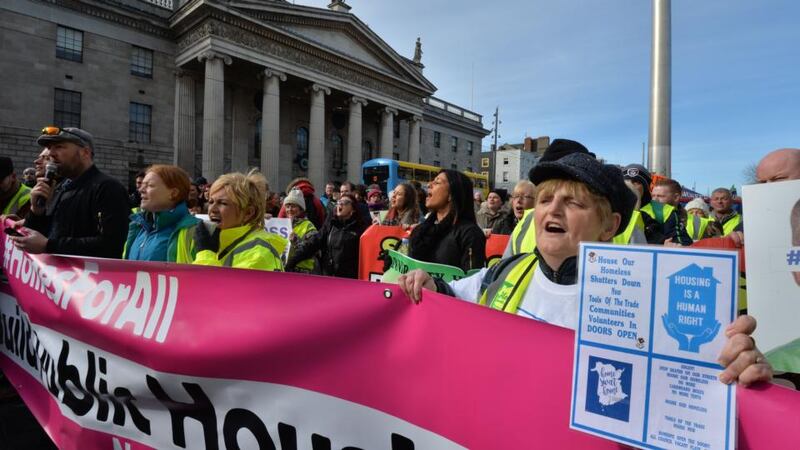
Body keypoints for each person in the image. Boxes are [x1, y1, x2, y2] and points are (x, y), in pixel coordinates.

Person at [399, 152, 773, 387]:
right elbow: (450, 297)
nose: (552, 210)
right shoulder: (507, 272)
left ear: (609, 226)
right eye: (545, 200)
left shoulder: (652, 294)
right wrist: (427, 283)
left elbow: (699, 380)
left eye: (572, 202)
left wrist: (739, 368)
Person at [10, 127, 130, 258]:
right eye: (50, 148)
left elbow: (111, 245)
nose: (51, 153)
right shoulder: (62, 188)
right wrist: (36, 212)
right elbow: (41, 236)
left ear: (85, 152)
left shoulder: (107, 188)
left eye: (59, 146)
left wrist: (49, 245)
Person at [192, 170, 283, 271]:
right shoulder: (216, 241)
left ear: (248, 213)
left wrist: (206, 254)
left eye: (222, 203)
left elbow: (211, 286)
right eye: (211, 201)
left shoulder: (259, 253)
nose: (212, 209)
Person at [408, 170, 485, 272]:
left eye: (437, 182)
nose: (429, 185)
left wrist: (437, 285)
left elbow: (472, 280)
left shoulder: (470, 233)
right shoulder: (420, 230)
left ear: (451, 195)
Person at [123, 165, 199, 262]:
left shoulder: (195, 231)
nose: (141, 190)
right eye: (142, 185)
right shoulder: (138, 226)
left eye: (150, 185)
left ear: (173, 193)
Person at [286, 193, 367, 278]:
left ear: (353, 209)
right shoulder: (331, 224)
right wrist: (292, 261)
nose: (341, 204)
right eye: (339, 202)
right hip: (328, 276)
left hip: (349, 279)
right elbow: (313, 244)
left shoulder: (360, 229)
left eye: (345, 202)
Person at [623, 164, 689, 245]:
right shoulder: (613, 209)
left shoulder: (664, 211)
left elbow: (682, 242)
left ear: (645, 186)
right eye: (626, 182)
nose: (631, 185)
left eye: (636, 182)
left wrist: (666, 244)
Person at [282, 188, 319, 274]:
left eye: (293, 206)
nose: (289, 209)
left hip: (302, 272)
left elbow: (314, 250)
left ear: (301, 209)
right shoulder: (282, 224)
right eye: (287, 206)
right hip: (285, 270)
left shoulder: (308, 225)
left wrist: (297, 241)